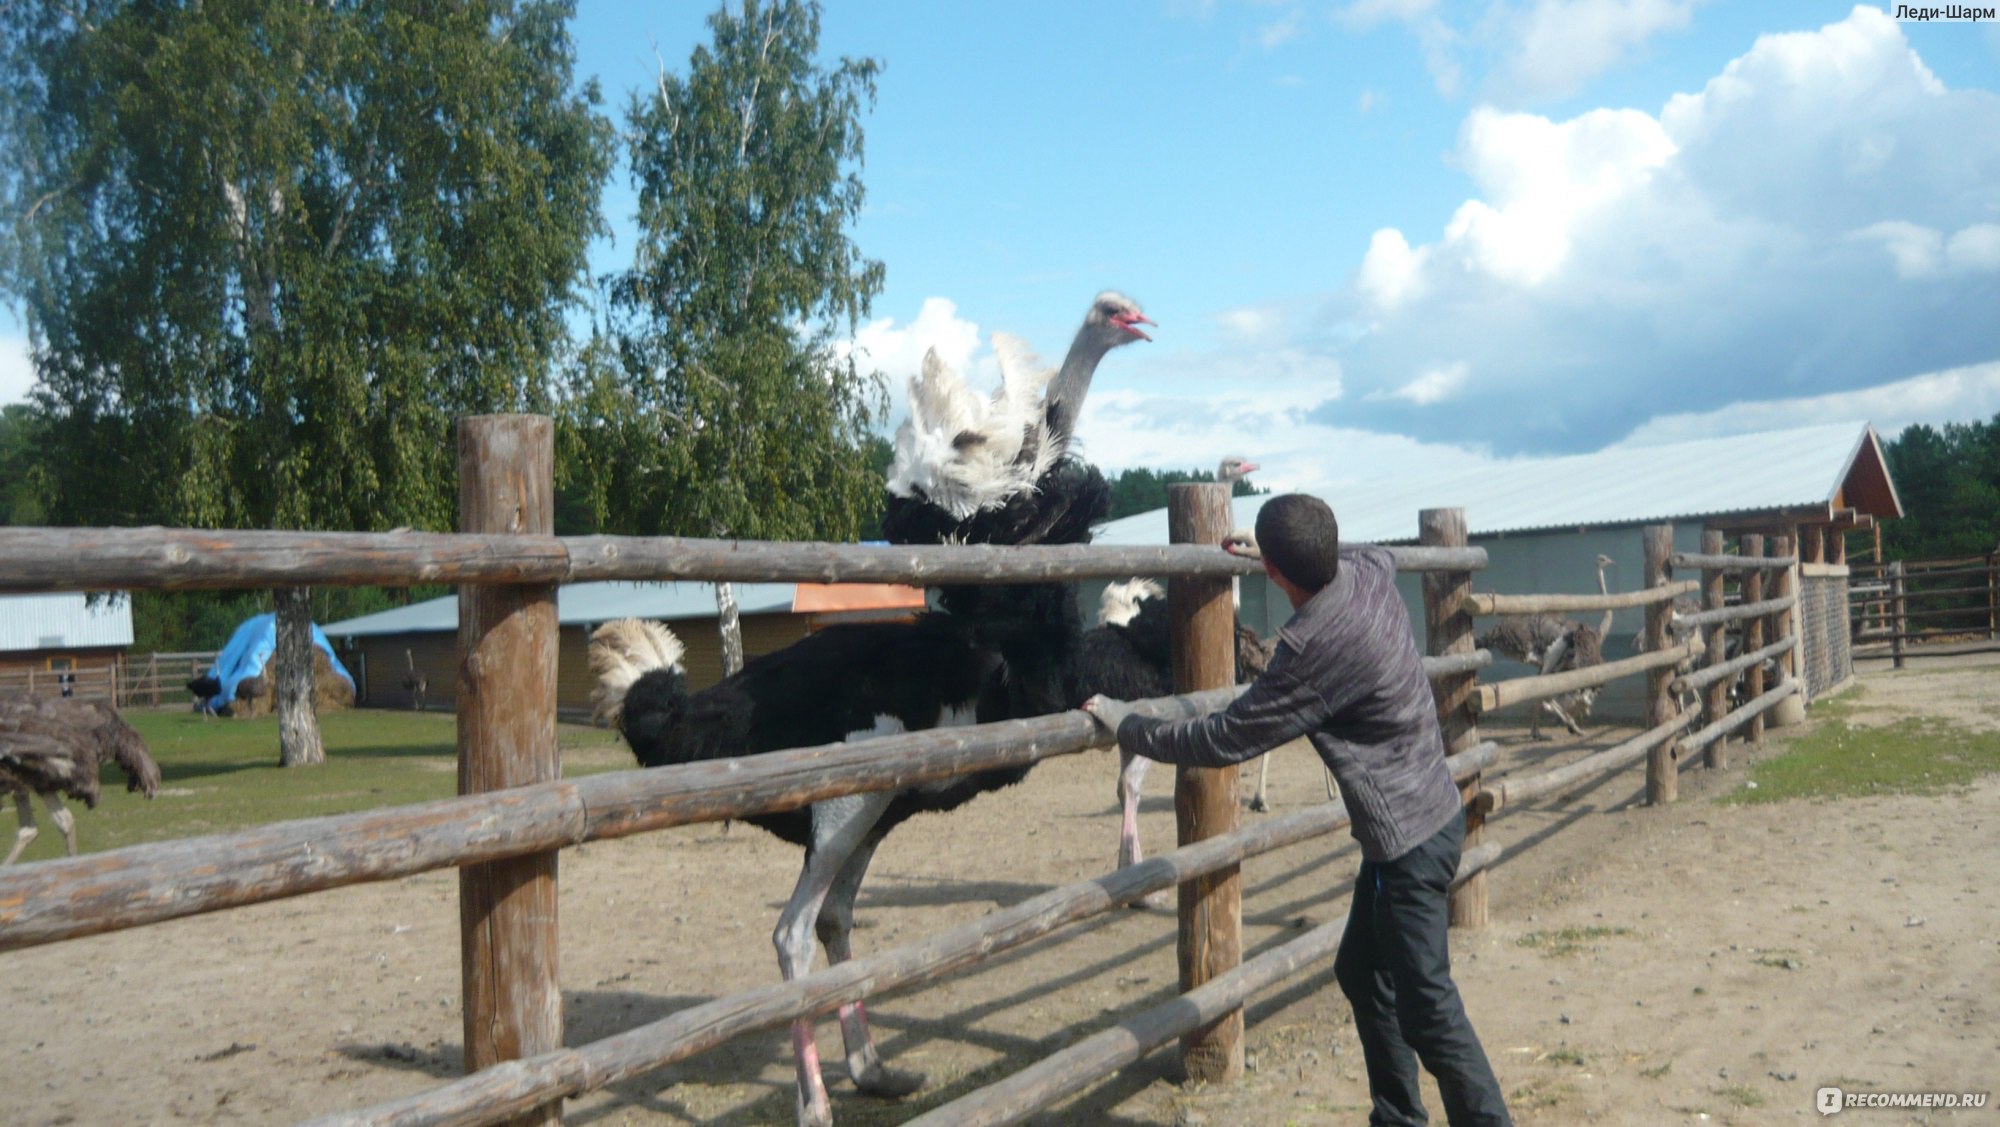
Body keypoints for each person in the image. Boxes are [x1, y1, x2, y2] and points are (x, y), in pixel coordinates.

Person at [1081, 493, 1511, 1127]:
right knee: (1363, 972)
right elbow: (1374, 551)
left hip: (1409, 844)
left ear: (1278, 575)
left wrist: (1130, 725)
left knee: (1428, 1007)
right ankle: (1397, 1118)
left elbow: (1222, 738)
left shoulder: (1309, 649)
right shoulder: (1366, 573)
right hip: (1432, 810)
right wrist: (1269, 552)